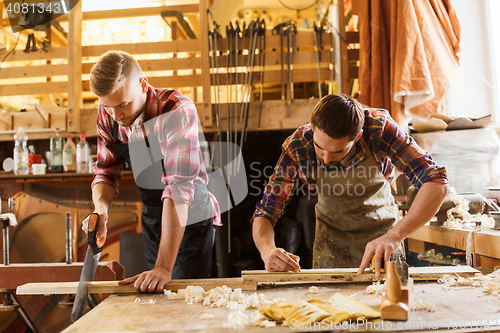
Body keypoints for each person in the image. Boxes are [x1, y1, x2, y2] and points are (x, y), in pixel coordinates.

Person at [251, 94, 449, 276]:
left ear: (358, 136)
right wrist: (267, 251)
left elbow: (436, 181)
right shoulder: (299, 145)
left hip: (384, 242)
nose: (327, 159)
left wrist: (395, 236)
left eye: (338, 152)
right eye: (320, 149)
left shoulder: (379, 130)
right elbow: (266, 212)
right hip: (331, 246)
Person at [83, 50, 220, 292]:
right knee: (156, 295)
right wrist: (101, 211)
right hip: (154, 218)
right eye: (107, 106)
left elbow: (178, 188)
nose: (116, 115)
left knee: (186, 300)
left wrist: (163, 268)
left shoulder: (175, 109)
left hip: (190, 215)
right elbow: (106, 172)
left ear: (143, 85)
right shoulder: (109, 114)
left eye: (123, 104)